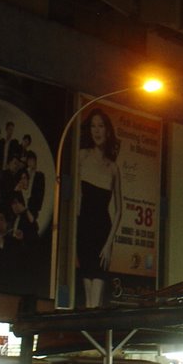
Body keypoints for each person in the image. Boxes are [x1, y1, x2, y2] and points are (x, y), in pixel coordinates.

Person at [77, 108, 123, 308]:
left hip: (102, 230)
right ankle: (86, 336)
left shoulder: (113, 168)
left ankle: (92, 335)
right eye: (93, 126)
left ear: (107, 130)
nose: (97, 131)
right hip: (83, 227)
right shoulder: (82, 156)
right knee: (88, 295)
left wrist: (108, 243)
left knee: (97, 293)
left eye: (101, 126)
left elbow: (119, 209)